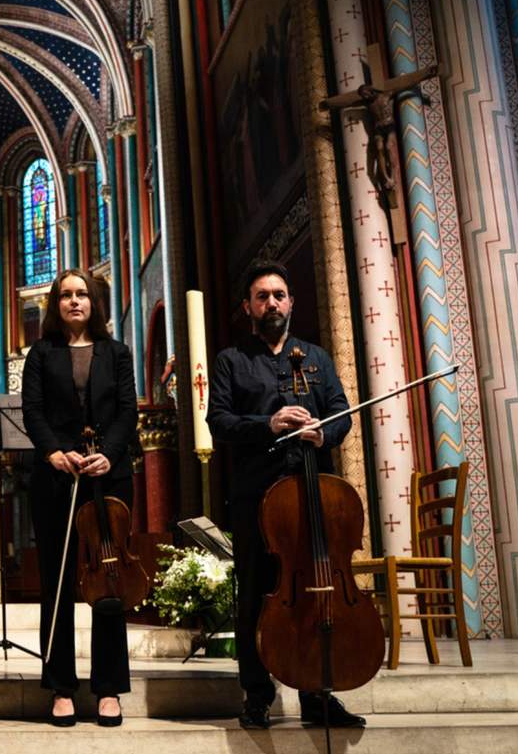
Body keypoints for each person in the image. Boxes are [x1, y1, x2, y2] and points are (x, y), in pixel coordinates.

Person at [206, 260, 365, 730]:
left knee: (315, 590)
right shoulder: (231, 360)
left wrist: (324, 433)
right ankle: (257, 696)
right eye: (262, 296)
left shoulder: (316, 358)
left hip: (312, 492)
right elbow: (219, 421)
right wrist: (269, 424)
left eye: (279, 295)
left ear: (291, 302)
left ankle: (317, 693)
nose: (271, 303)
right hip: (257, 497)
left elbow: (341, 413)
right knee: (255, 595)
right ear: (248, 307)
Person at [21, 269, 137, 727]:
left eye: (82, 294)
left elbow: (127, 411)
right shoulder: (41, 353)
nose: (74, 301)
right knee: (58, 581)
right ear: (55, 303)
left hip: (109, 477)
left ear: (94, 302)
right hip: (57, 479)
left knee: (109, 580)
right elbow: (32, 410)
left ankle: (109, 687)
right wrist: (53, 451)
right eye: (66, 295)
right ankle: (61, 687)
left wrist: (110, 453)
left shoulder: (117, 352)